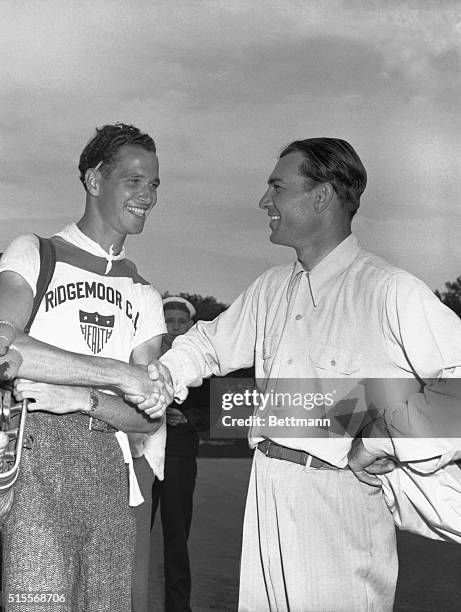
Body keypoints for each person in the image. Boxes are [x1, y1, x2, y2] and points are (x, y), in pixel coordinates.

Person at [144, 138, 461, 611]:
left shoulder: (389, 289)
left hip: (341, 501)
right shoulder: (271, 287)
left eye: (277, 186)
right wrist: (154, 380)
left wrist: (380, 437)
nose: (263, 201)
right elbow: (206, 345)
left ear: (322, 196)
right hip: (266, 490)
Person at [0, 123, 171, 612]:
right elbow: (8, 347)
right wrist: (117, 374)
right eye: (134, 180)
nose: (148, 196)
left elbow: (148, 416)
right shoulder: (35, 252)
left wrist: (82, 398)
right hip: (34, 462)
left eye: (155, 183)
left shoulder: (145, 293)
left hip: (111, 472)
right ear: (95, 180)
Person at [151, 297, 210, 612]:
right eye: (168, 321)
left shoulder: (203, 360)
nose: (174, 327)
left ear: (190, 324)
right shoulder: (144, 354)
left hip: (179, 455)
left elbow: (219, 410)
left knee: (176, 538)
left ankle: (178, 607)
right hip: (142, 454)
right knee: (131, 535)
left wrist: (188, 419)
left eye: (180, 321)